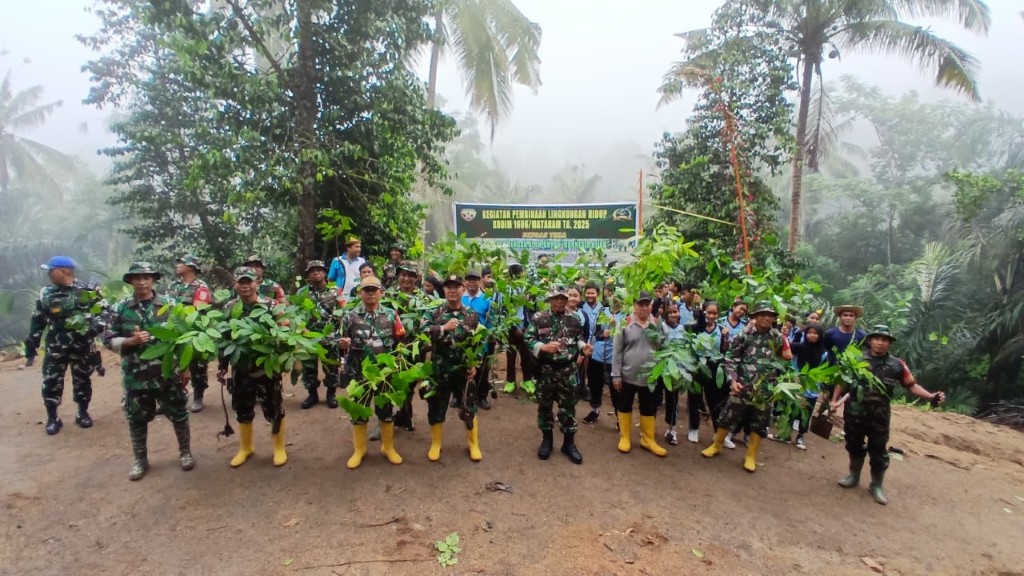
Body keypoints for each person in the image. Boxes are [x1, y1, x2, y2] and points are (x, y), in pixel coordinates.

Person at [831, 325, 945, 505]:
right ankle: (853, 476)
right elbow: (842, 381)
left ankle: (876, 485)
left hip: (879, 415)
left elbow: (911, 385)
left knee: (878, 450)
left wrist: (931, 397)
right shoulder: (856, 359)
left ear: (889, 343)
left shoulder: (897, 365)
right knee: (854, 445)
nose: (880, 343)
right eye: (877, 339)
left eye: (884, 340)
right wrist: (834, 400)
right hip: (854, 412)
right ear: (870, 341)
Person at [103, 262, 194, 481]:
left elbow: (183, 337)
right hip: (136, 375)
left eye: (146, 277)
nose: (142, 282)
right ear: (130, 281)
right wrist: (130, 341)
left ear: (153, 280)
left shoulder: (170, 305)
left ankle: (185, 453)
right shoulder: (120, 308)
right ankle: (140, 460)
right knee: (136, 418)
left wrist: (185, 368)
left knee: (179, 413)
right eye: (137, 278)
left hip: (166, 372)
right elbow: (107, 338)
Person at [701, 302, 792, 473]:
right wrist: (733, 380)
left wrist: (781, 378)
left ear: (774, 319)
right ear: (755, 317)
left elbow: (784, 360)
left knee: (760, 421)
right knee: (728, 415)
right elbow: (731, 358)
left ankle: (751, 455)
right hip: (742, 385)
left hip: (765, 388)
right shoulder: (744, 334)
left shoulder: (777, 338)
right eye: (762, 314)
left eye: (770, 315)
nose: (766, 318)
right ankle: (716, 445)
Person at [218, 267, 288, 468]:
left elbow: (285, 329)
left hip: (267, 367)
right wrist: (222, 366)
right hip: (240, 368)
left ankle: (279, 447)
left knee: (274, 407)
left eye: (249, 282)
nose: (245, 286)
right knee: (242, 407)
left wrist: (283, 356)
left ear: (257, 283)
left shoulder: (270, 305)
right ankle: (246, 448)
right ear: (235, 284)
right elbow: (224, 339)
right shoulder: (230, 307)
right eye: (241, 282)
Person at [24, 256, 103, 435]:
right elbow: (38, 320)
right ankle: (53, 418)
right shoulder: (46, 293)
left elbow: (104, 312)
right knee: (51, 381)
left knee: (83, 380)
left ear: (64, 271)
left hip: (81, 346)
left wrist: (95, 328)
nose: (48, 274)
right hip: (55, 347)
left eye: (51, 270)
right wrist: (32, 344)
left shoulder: (88, 291)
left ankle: (83, 413)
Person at [338, 276, 407, 469]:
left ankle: (388, 447)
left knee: (386, 411)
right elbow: (338, 340)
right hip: (359, 374)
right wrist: (341, 344)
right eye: (366, 290)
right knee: (359, 411)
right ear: (360, 293)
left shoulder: (391, 315)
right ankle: (359, 449)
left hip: (385, 374)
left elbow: (401, 340)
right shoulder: (350, 317)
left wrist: (399, 360)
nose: (370, 293)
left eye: (374, 290)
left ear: (381, 293)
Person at [525, 286, 592, 464]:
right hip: (545, 370)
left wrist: (584, 348)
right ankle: (547, 440)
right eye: (556, 298)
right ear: (549, 299)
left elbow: (578, 339)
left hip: (567, 371)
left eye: (563, 298)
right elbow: (528, 339)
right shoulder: (539, 318)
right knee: (544, 407)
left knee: (568, 408)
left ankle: (568, 444)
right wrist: (543, 347)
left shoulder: (574, 318)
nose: (560, 301)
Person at [420, 274, 483, 462]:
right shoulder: (434, 312)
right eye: (448, 287)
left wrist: (476, 364)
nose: (452, 290)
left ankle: (473, 444)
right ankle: (436, 444)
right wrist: (443, 328)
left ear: (463, 289)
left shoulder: (471, 314)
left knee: (469, 407)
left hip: (464, 371)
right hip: (440, 370)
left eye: (456, 286)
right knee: (436, 407)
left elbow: (478, 341)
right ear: (444, 290)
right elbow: (422, 332)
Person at [611, 290, 667, 457]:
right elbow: (617, 351)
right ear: (634, 305)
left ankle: (648, 440)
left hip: (650, 377)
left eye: (647, 304)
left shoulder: (658, 325)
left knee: (648, 407)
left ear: (651, 305)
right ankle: (625, 437)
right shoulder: (624, 324)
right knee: (624, 405)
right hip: (627, 376)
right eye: (640, 304)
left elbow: (666, 349)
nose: (644, 308)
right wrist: (616, 375)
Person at [167, 253, 214, 413]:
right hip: (175, 330)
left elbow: (198, 310)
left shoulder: (201, 287)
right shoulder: (174, 286)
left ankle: (198, 396)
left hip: (195, 330)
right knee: (174, 364)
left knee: (197, 365)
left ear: (191, 267)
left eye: (181, 262)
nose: (178, 265)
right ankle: (176, 396)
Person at [297, 260, 343, 410]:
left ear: (325, 272)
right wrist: (304, 331)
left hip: (330, 336)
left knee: (331, 367)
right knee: (308, 368)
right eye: (312, 270)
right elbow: (296, 314)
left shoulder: (335, 291)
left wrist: (338, 332)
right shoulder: (302, 292)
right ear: (308, 275)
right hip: (308, 336)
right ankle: (312, 395)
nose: (316, 272)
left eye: (319, 270)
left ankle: (331, 395)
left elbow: (343, 312)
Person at [388, 261, 428, 431]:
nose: (406, 279)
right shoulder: (389, 296)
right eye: (403, 275)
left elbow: (428, 321)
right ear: (398, 276)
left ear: (416, 278)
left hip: (414, 347)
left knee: (410, 382)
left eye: (410, 275)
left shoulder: (423, 299)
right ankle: (389, 417)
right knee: (391, 381)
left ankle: (405, 413)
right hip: (392, 346)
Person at [689, 301, 731, 443]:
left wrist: (726, 337)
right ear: (704, 312)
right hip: (697, 366)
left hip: (714, 367)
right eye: (709, 312)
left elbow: (724, 350)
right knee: (694, 399)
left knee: (715, 401)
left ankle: (717, 432)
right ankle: (693, 429)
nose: (711, 316)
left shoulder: (721, 329)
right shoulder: (696, 328)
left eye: (714, 313)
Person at [459, 269, 494, 410]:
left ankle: (482, 396)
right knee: (461, 368)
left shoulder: (487, 299)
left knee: (482, 370)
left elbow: (491, 320)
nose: (472, 282)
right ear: (464, 282)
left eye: (475, 280)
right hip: (462, 340)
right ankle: (459, 396)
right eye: (469, 279)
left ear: (480, 282)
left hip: (481, 341)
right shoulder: (460, 298)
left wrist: (490, 335)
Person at [790, 322, 826, 450]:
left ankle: (800, 436)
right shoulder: (799, 347)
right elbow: (784, 348)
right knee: (790, 409)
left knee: (806, 412)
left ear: (820, 336)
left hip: (812, 386)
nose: (812, 335)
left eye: (815, 333)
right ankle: (785, 433)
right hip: (796, 382)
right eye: (809, 333)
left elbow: (824, 371)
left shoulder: (824, 353)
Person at [503, 263, 534, 388]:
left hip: (526, 328)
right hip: (512, 328)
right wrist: (514, 328)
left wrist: (527, 327)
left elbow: (531, 309)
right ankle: (510, 382)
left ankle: (527, 381)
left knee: (527, 356)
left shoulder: (526, 288)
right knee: (511, 357)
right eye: (522, 271)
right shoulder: (508, 290)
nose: (524, 273)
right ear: (516, 274)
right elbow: (504, 311)